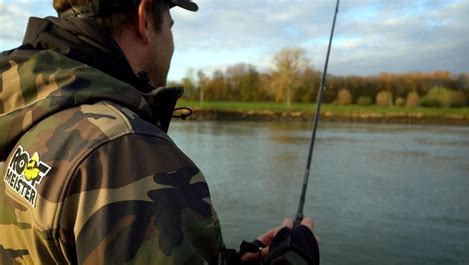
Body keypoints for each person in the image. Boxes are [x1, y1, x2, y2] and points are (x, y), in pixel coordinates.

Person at [0, 0, 319, 264]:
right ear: (144, 18)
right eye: (170, 24)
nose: (171, 39)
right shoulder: (127, 153)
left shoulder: (23, 113)